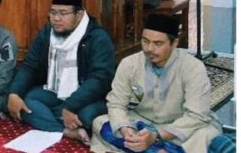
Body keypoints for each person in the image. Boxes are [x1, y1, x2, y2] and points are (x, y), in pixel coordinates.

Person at [90, 14, 222, 153]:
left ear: (175, 43)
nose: (149, 49)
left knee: (203, 136)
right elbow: (116, 103)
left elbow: (196, 115)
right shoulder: (129, 64)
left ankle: (149, 148)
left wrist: (157, 136)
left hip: (181, 127)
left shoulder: (193, 68)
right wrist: (126, 130)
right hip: (142, 123)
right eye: (145, 41)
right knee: (100, 123)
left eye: (158, 43)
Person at [7, 0, 115, 144]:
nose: (56, 18)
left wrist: (70, 106)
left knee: (86, 117)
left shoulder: (97, 38)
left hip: (87, 98)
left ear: (79, 14)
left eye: (63, 13)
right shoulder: (47, 33)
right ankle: (66, 131)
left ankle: (52, 118)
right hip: (55, 92)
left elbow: (100, 79)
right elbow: (29, 65)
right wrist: (14, 93)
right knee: (26, 101)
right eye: (53, 12)